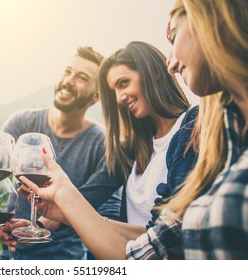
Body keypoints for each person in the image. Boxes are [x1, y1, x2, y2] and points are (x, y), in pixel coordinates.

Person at [22, 0, 248, 259]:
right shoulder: (131, 149)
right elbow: (90, 195)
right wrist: (39, 223)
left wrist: (79, 214)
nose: (119, 97)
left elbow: (162, 238)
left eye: (124, 83)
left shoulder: (197, 128)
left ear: (152, 73)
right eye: (114, 90)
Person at [0, 46, 121, 260]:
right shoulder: (21, 123)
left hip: (67, 256)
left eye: (81, 77)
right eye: (67, 71)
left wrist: (44, 224)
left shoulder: (102, 142)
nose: (69, 80)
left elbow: (109, 208)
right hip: (12, 253)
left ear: (97, 96)